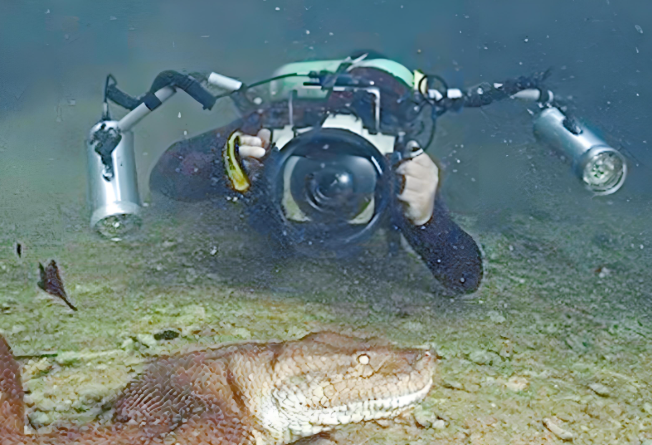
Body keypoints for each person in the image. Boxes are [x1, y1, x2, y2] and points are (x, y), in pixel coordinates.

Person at [148, 54, 484, 294]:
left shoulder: (392, 165)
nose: (328, 177)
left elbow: (463, 277)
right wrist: (227, 165)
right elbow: (165, 178)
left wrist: (426, 216)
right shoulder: (270, 132)